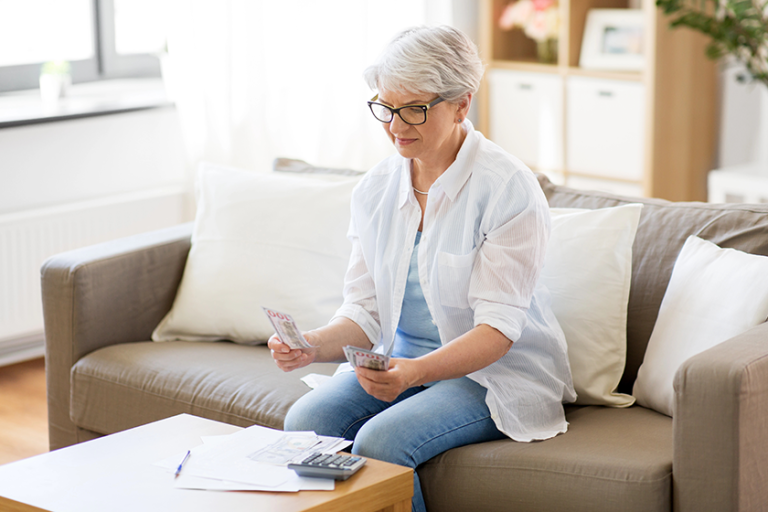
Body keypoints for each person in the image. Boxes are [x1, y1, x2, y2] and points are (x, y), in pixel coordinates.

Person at [268, 25, 576, 512]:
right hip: (400, 363)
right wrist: (311, 345)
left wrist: (415, 373)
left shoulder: (506, 187)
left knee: (382, 442)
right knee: (306, 423)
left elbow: (497, 330)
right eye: (386, 107)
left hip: (490, 375)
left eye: (414, 109)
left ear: (461, 104)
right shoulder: (375, 189)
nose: (396, 126)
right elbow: (364, 311)